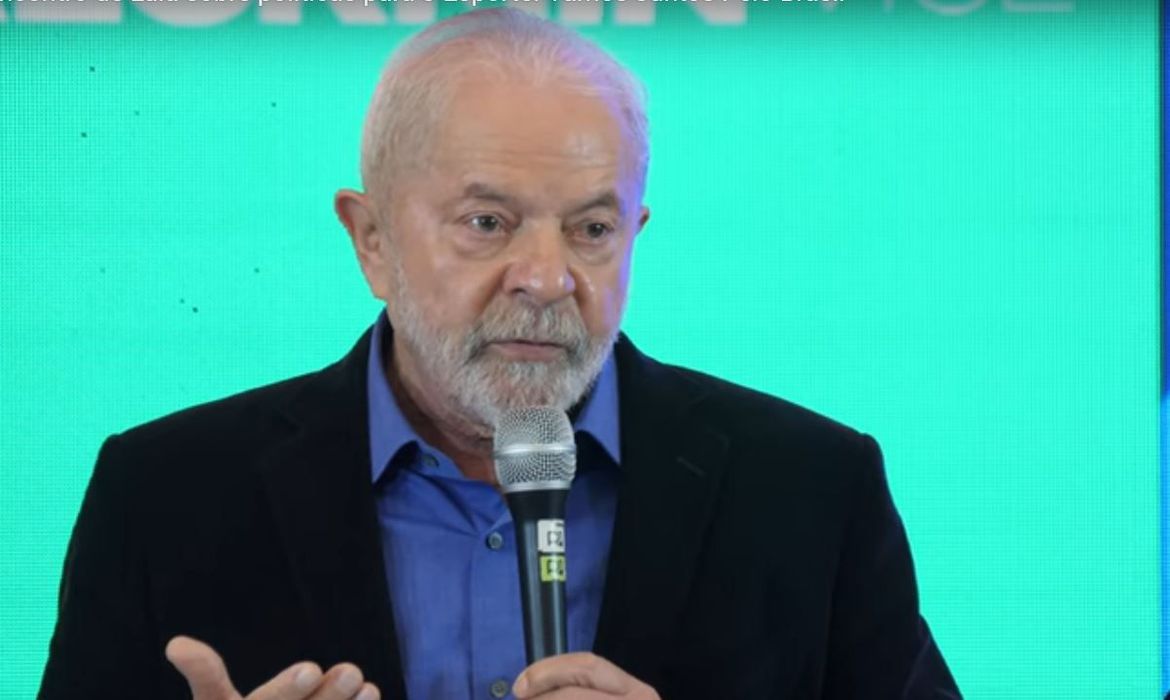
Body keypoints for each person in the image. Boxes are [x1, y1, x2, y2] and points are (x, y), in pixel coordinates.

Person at [38, 7, 961, 700]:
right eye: (488, 222)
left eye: (591, 229)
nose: (547, 278)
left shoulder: (811, 489)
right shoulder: (165, 495)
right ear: (372, 241)